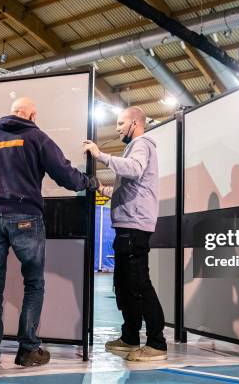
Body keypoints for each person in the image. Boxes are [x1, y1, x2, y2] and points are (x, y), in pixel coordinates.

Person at [0, 97, 98, 375]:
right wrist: (89, 182)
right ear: (32, 114)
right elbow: (66, 176)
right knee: (33, 284)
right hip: (26, 218)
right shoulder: (36, 137)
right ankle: (27, 350)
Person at [82, 106, 167, 362]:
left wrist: (101, 156)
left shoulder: (141, 144)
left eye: (121, 123)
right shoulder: (135, 147)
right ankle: (130, 337)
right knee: (125, 285)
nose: (118, 128)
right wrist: (105, 189)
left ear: (135, 124)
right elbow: (131, 185)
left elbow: (134, 169)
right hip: (127, 226)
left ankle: (156, 343)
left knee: (139, 284)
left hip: (134, 228)